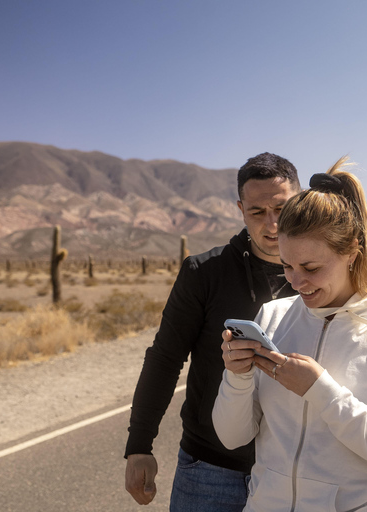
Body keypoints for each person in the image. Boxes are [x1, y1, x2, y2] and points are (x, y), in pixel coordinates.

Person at [212, 157, 367, 512]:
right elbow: (231, 437)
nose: (296, 282)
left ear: (351, 251)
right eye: (286, 265)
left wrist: (323, 392)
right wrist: (236, 377)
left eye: (311, 268)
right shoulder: (272, 316)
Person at [124, 153, 301, 510]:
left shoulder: (321, 276)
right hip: (211, 470)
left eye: (282, 209)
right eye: (257, 212)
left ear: (300, 201)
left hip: (296, 471)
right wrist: (139, 446)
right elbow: (164, 358)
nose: (271, 225)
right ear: (240, 209)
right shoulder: (203, 273)